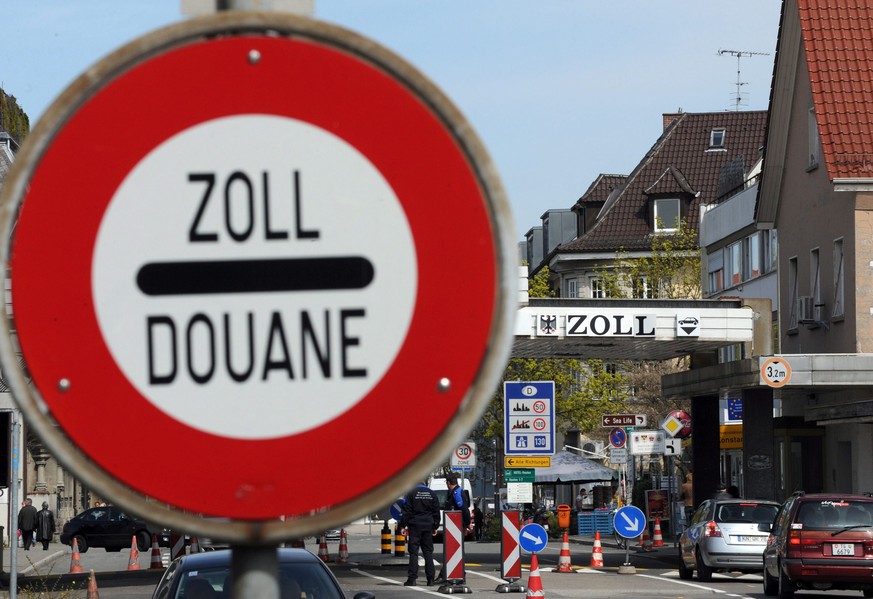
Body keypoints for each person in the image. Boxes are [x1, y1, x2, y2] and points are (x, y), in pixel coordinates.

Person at [399, 480, 440, 587]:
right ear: (425, 483)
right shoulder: (432, 494)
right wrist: (435, 526)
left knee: (413, 553)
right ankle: (430, 579)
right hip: (428, 526)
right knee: (428, 553)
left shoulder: (410, 493)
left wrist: (403, 526)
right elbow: (436, 511)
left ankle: (412, 579)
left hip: (415, 526)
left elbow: (406, 511)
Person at [434, 473, 471, 584]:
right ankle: (455, 575)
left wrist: (468, 523)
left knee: (453, 551)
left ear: (449, 483)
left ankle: (454, 575)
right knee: (454, 551)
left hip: (456, 526)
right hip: (455, 526)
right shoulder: (456, 491)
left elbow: (463, 509)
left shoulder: (456, 493)